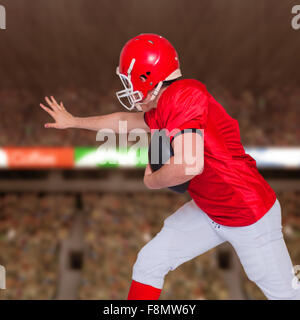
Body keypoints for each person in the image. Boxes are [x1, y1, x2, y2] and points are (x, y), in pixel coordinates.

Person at [40, 33, 300, 300]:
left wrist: (151, 180)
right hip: (213, 210)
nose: (127, 86)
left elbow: (189, 165)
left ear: (146, 76)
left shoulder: (184, 96)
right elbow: (123, 121)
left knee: (286, 297)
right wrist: (74, 121)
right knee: (149, 263)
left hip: (248, 214)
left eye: (130, 79)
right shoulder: (168, 102)